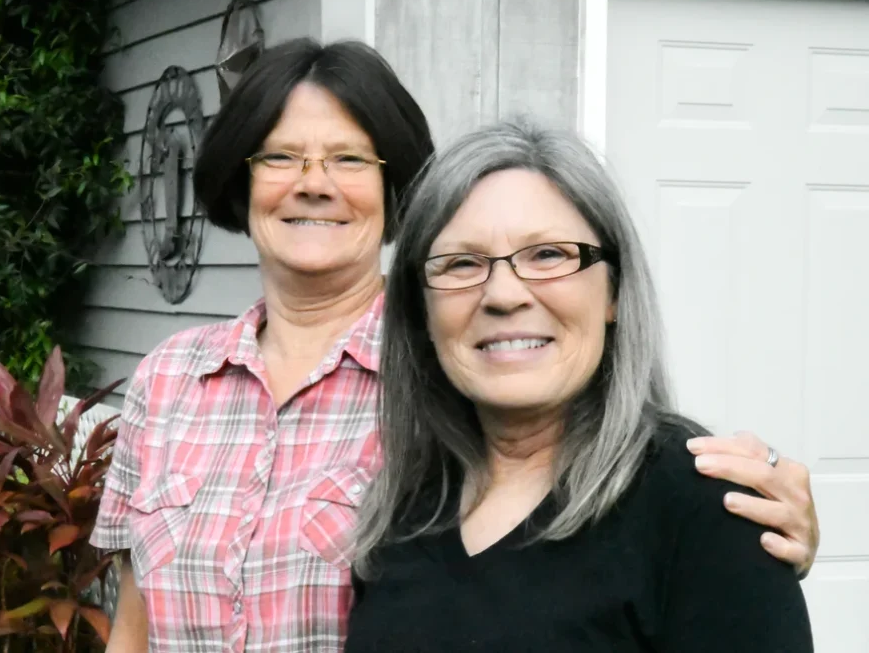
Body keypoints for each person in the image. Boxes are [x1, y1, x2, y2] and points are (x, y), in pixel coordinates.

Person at [90, 38, 820, 653]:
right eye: (279, 157)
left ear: (398, 190)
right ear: (239, 182)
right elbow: (136, 615)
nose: (313, 184)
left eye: (350, 159)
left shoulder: (446, 388)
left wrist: (758, 512)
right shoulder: (168, 380)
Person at [345, 118, 814, 652]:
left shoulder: (707, 507)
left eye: (548, 255)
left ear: (614, 292)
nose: (503, 294)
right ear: (421, 313)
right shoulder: (404, 509)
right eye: (461, 263)